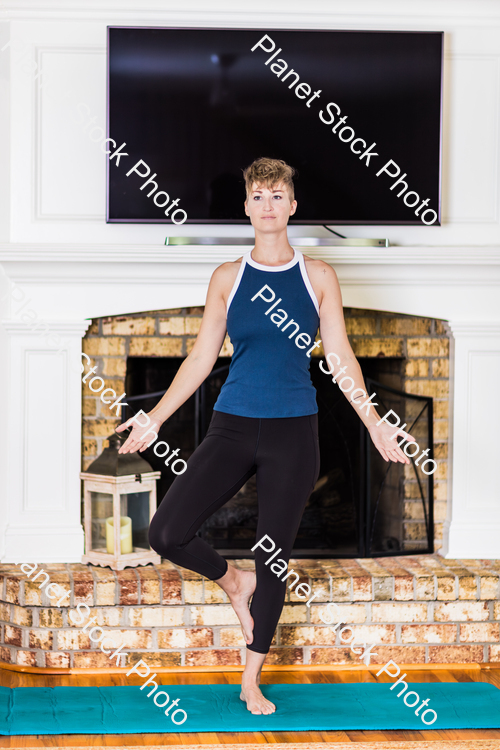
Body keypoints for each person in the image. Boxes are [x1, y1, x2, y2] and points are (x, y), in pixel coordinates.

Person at [116, 157, 415, 715]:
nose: (269, 204)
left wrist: (374, 421)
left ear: (293, 205)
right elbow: (203, 356)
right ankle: (234, 581)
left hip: (294, 432)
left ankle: (250, 678)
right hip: (232, 425)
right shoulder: (228, 277)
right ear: (247, 205)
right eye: (259, 195)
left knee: (273, 555)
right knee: (165, 531)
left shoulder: (317, 275)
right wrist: (154, 417)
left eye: (279, 194)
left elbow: (341, 356)